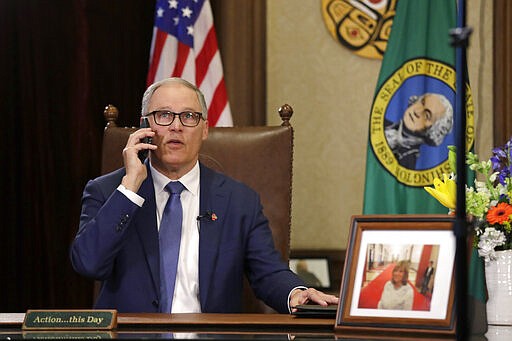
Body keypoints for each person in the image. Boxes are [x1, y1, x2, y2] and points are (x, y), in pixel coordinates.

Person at [70, 77, 338, 314]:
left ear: (205, 129)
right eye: (164, 115)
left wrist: (296, 294)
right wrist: (129, 188)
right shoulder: (108, 192)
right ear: (145, 125)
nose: (176, 126)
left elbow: (268, 272)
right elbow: (89, 264)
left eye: (189, 116)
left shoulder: (239, 200)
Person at [384, 93, 453, 169]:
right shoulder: (382, 124)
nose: (417, 112)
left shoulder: (406, 162)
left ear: (433, 131)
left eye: (427, 115)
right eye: (422, 103)